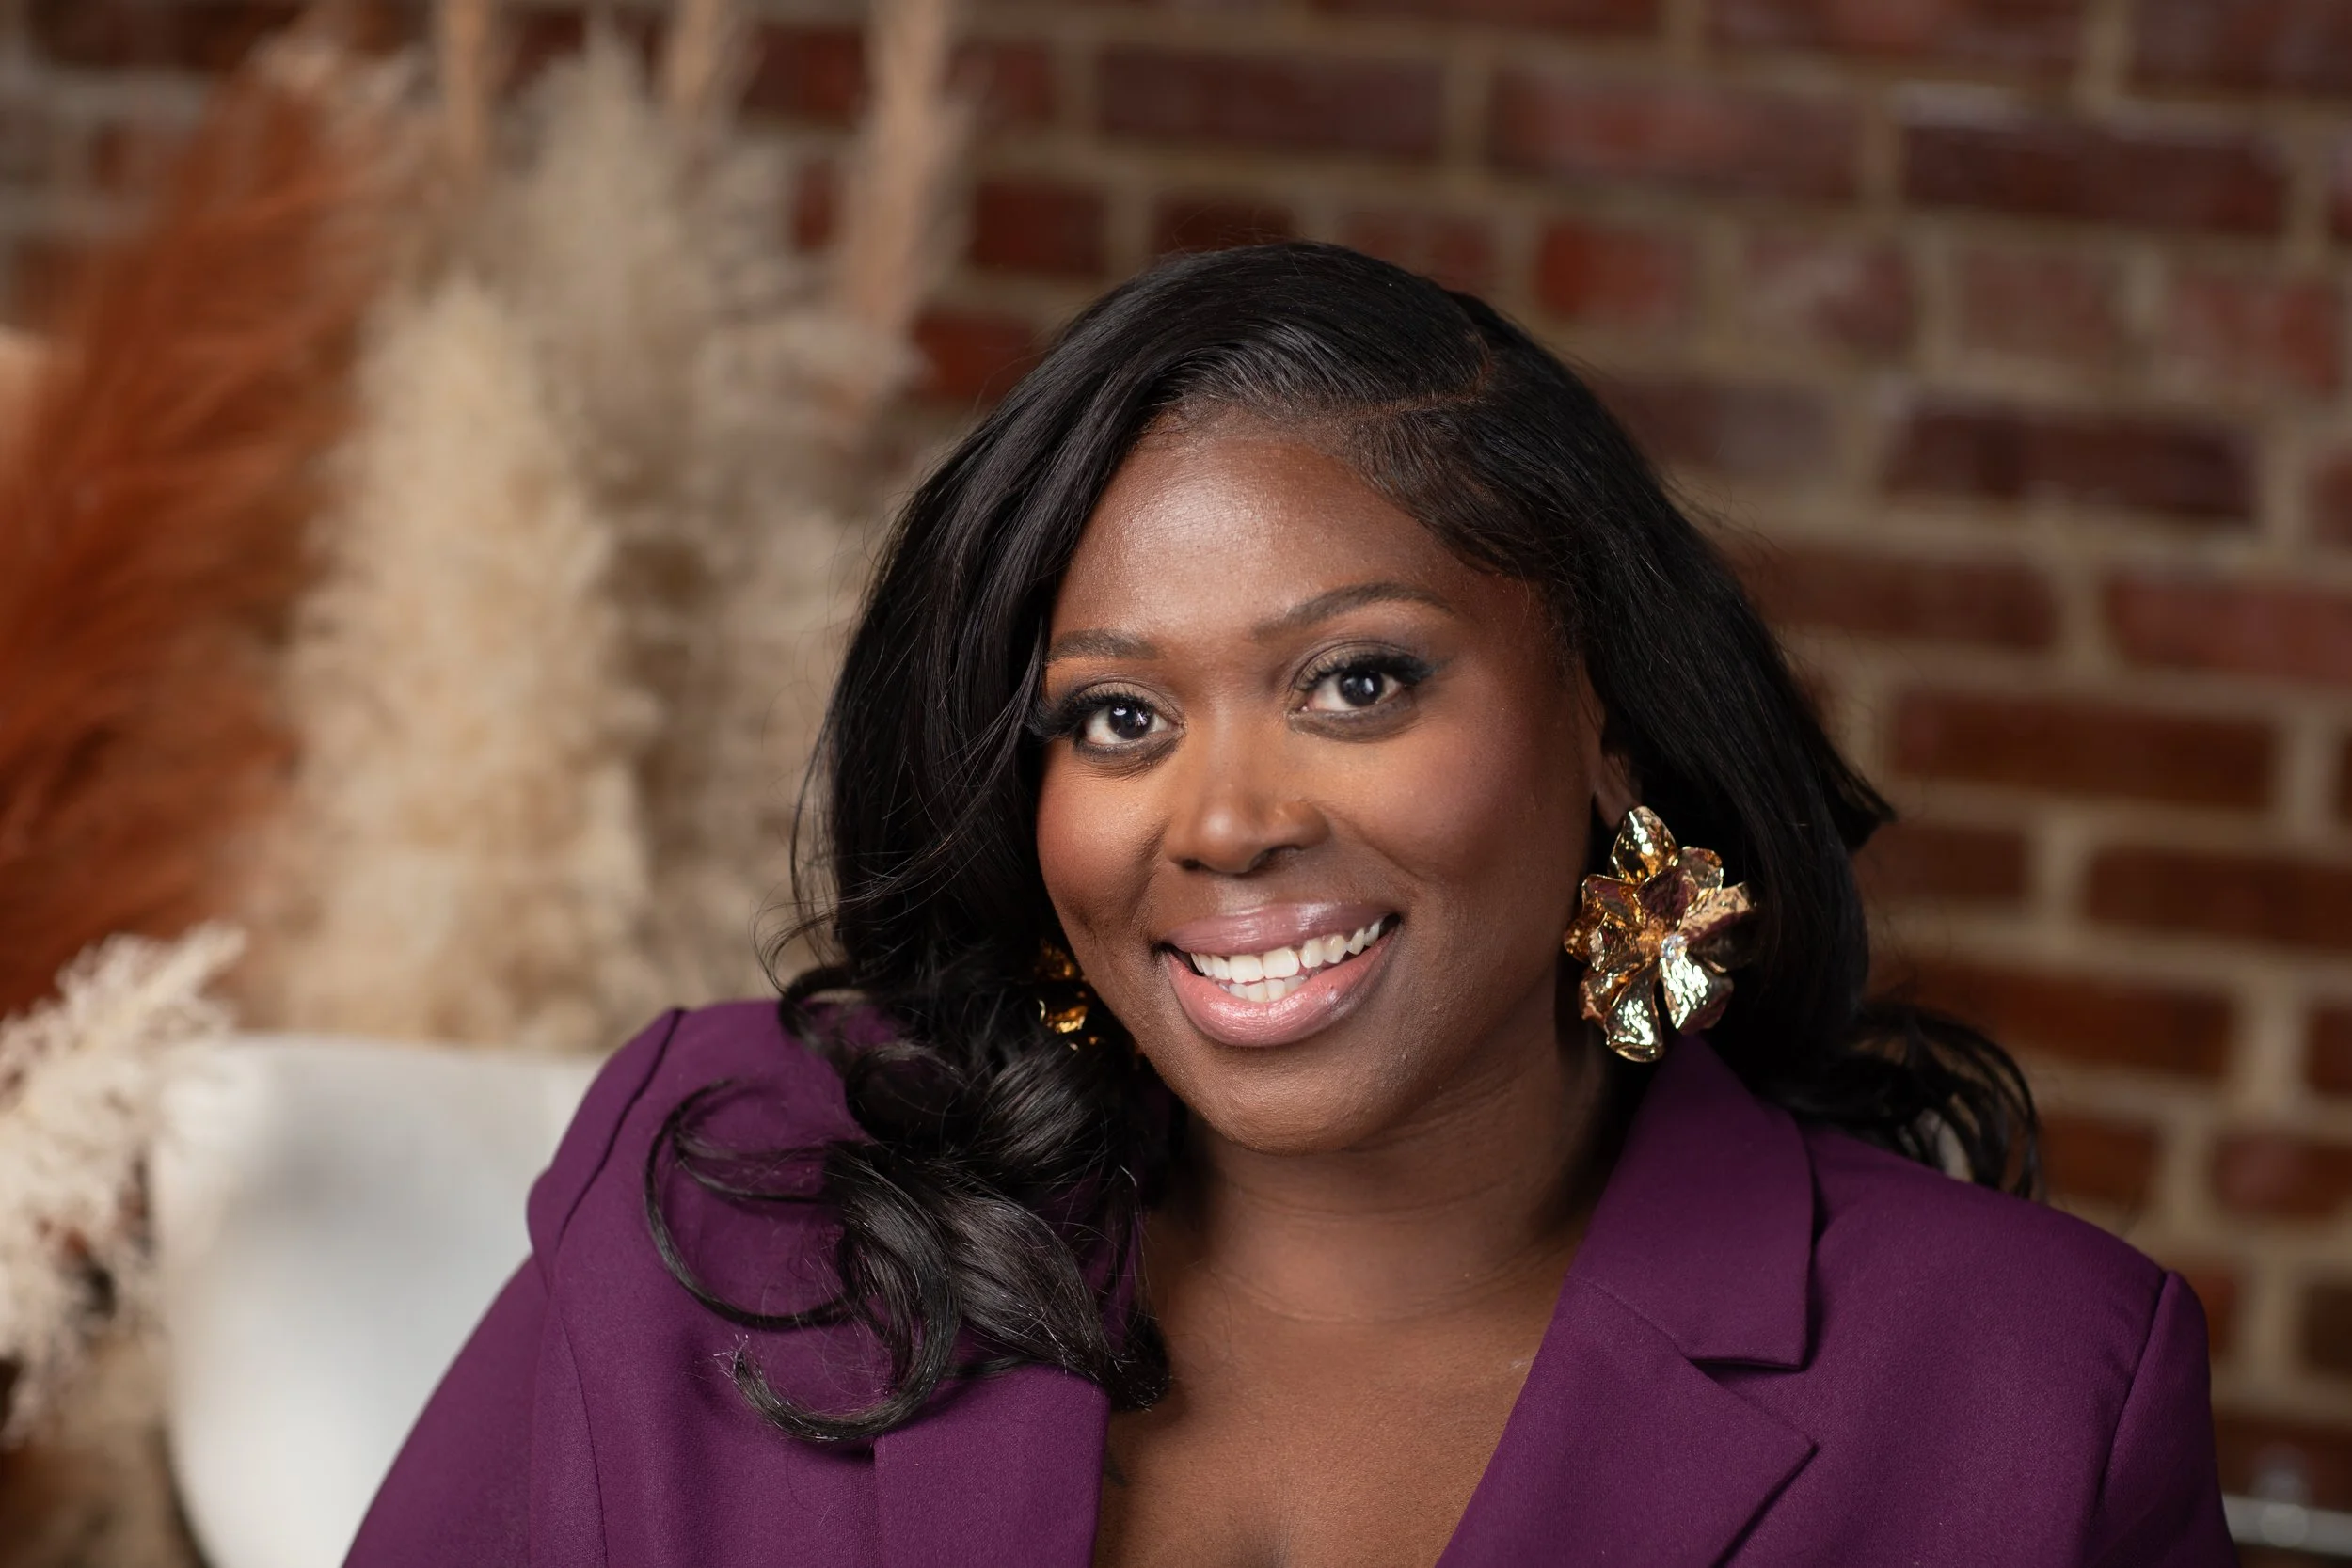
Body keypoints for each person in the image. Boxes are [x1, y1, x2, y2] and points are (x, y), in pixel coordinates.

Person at [346, 244, 2231, 1566]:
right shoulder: (724, 1183)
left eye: (1355, 682)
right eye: (1117, 716)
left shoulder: (2019, 1393)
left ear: (1605, 724)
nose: (1227, 821)